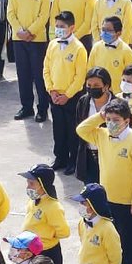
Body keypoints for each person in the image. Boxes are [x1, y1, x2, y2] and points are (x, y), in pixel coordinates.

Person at [76, 99, 132, 264]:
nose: (111, 123)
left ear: (127, 121)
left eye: (116, 120)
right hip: (107, 200)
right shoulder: (101, 135)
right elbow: (81, 129)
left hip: (128, 202)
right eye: (108, 119)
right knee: (111, 239)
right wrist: (99, 116)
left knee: (129, 240)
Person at [9, 0, 52, 121]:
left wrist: (31, 31)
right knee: (23, 73)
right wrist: (20, 31)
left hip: (37, 39)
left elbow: (44, 16)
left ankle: (42, 108)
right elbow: (10, 12)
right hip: (18, 38)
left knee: (39, 75)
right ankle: (26, 107)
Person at [45, 11, 88, 173]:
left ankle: (73, 160)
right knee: (58, 129)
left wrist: (67, 95)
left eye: (62, 27)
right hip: (55, 95)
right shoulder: (53, 44)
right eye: (57, 26)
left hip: (72, 97)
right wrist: (51, 90)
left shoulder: (79, 49)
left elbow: (79, 77)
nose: (59, 29)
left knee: (72, 130)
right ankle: (60, 158)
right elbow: (46, 68)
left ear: (72, 28)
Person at [18, 165, 68, 264]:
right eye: (28, 183)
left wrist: (47, 236)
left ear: (42, 184)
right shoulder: (33, 200)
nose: (28, 187)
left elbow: (64, 232)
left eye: (32, 183)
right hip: (31, 251)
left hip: (47, 253)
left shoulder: (53, 207)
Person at [70, 183, 122, 264]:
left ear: (94, 204)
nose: (80, 205)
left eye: (83, 203)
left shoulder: (107, 228)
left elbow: (115, 256)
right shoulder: (82, 222)